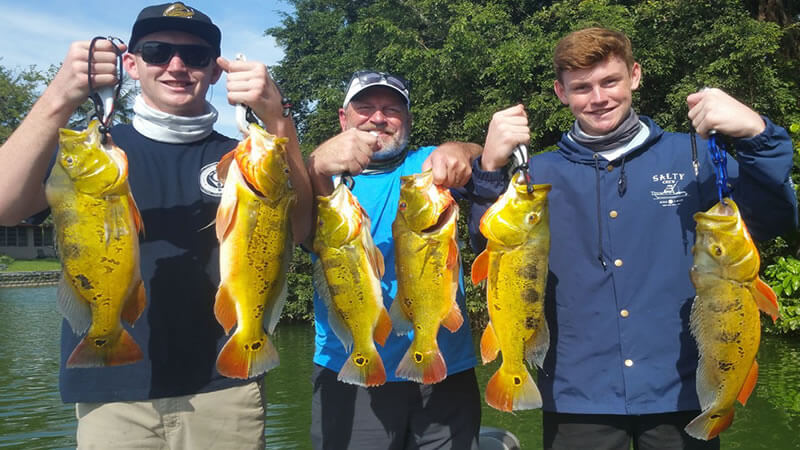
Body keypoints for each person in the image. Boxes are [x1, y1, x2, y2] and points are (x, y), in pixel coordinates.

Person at [0, 2, 312, 449]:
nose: (177, 66)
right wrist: (58, 97)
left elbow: (298, 229)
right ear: (131, 63)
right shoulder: (93, 156)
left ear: (216, 72)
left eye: (196, 56)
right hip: (113, 392)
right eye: (157, 51)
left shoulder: (243, 160)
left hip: (226, 385)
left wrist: (280, 120)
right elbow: (4, 207)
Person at [472, 27, 797, 450]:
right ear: (560, 92)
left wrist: (758, 134)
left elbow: (774, 219)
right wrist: (489, 168)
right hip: (578, 395)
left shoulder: (693, 157)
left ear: (635, 76)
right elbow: (492, 260)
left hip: (680, 391)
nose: (599, 97)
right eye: (582, 87)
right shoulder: (537, 177)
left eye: (610, 81)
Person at [305, 70, 484, 449]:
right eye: (365, 108)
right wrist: (314, 165)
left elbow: (485, 161)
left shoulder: (428, 168)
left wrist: (462, 150)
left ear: (409, 120)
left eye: (391, 109)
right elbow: (291, 229)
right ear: (343, 119)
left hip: (444, 367)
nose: (378, 118)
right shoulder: (322, 177)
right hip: (352, 368)